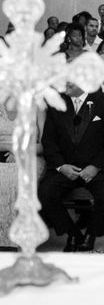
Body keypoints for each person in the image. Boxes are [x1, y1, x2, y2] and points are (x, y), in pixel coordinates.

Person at [38, 84, 104, 252]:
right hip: (66, 167)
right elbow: (49, 142)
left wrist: (96, 167)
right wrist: (62, 166)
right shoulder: (57, 104)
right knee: (45, 193)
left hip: (98, 169)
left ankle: (90, 235)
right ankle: (73, 234)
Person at [0, 101, 46, 248]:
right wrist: (10, 147)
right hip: (2, 155)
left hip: (31, 156)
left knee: (18, 180)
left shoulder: (39, 106)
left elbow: (45, 144)